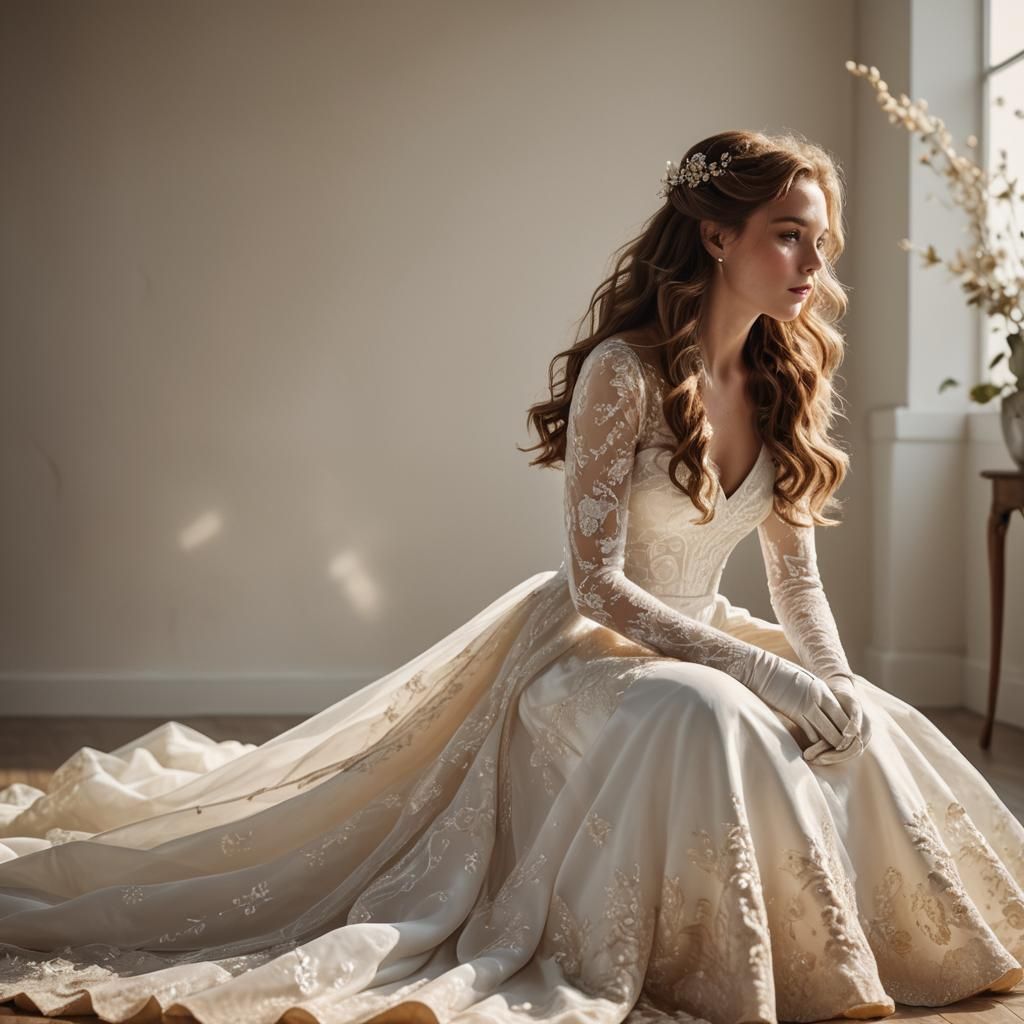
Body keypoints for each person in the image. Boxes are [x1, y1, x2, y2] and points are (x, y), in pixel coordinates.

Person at [0, 129, 1021, 1024]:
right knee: (709, 714)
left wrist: (827, 678)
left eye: (820, 238)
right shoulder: (622, 372)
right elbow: (599, 587)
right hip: (591, 655)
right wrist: (770, 679)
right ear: (717, 236)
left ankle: (872, 949)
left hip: (708, 636)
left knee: (872, 723)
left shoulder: (784, 374)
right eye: (789, 232)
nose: (812, 258)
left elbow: (794, 582)